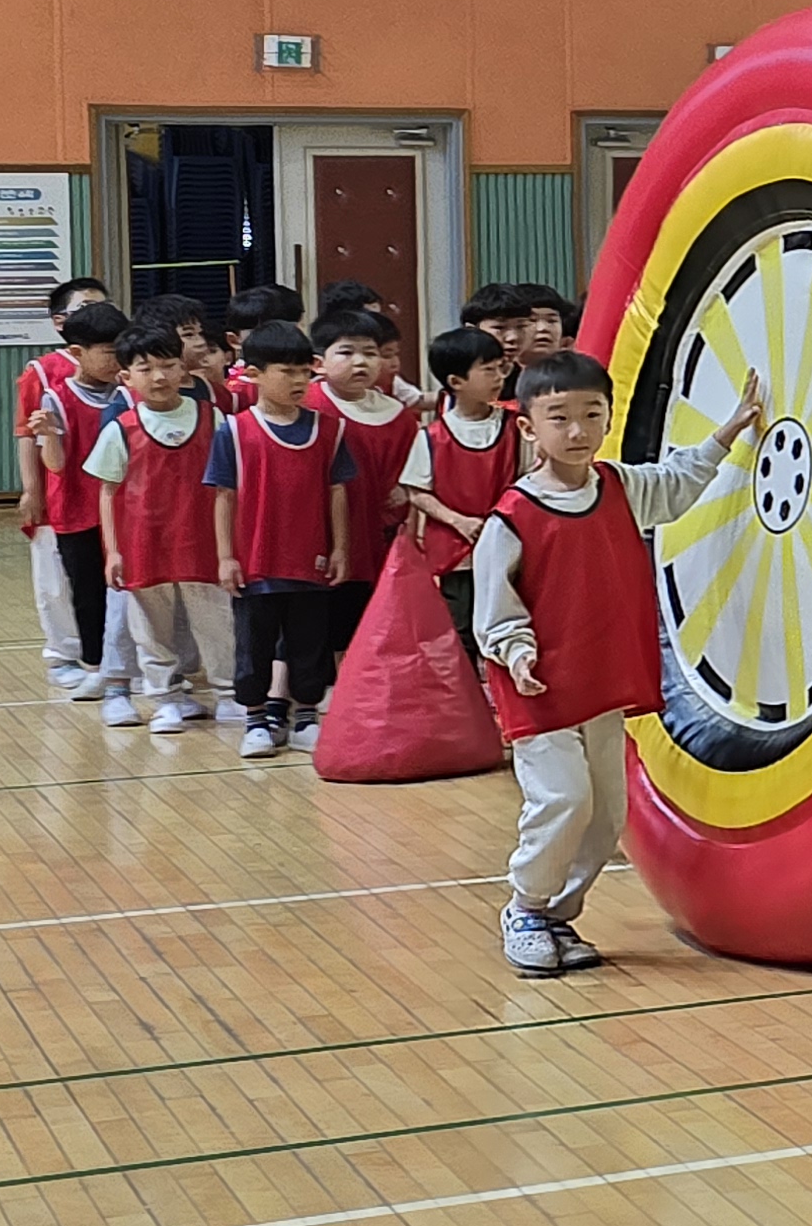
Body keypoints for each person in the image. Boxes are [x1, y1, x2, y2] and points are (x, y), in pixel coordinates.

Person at [473, 351, 767, 975]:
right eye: (559, 418)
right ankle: (524, 908)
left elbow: (677, 482)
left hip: (601, 685)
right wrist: (517, 651)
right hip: (541, 690)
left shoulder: (620, 487)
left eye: (590, 414)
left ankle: (557, 915)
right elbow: (495, 613)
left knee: (607, 814)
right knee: (563, 800)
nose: (577, 430)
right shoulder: (512, 519)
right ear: (528, 427)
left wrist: (732, 428)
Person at [208, 319, 352, 758]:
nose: (296, 380)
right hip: (255, 560)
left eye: (302, 371)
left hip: (310, 558)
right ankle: (257, 720)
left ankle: (305, 716)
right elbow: (223, 497)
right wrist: (225, 557)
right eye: (284, 371)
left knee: (310, 641)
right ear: (253, 374)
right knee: (253, 645)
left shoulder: (329, 430)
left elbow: (337, 491)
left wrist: (341, 546)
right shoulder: (233, 431)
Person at [86, 320, 225, 733]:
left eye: (167, 365)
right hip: (144, 545)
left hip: (203, 542)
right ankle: (164, 699)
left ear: (184, 370)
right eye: (145, 368)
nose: (159, 377)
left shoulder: (211, 417)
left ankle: (231, 695)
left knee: (217, 623)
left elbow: (229, 485)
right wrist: (113, 550)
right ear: (126, 378)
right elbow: (107, 493)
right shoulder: (121, 428)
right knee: (150, 628)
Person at [21, 297, 131, 703]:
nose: (115, 359)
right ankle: (95, 666)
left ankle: (131, 668)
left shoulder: (129, 392)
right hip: (76, 511)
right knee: (87, 592)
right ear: (76, 353)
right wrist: (48, 434)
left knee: (128, 591)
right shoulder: (56, 398)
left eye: (121, 349)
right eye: (107, 352)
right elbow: (56, 462)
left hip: (121, 512)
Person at [396, 323, 522, 652]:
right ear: (455, 382)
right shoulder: (432, 437)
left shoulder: (516, 427)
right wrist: (459, 522)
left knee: (508, 625)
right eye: (487, 370)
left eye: (500, 368)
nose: (498, 377)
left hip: (509, 543)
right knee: (460, 628)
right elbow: (417, 491)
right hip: (455, 551)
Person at [311, 307, 415, 669]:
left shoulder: (399, 415)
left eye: (370, 353)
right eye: (347, 352)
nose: (361, 362)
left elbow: (413, 466)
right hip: (325, 530)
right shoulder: (311, 407)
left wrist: (405, 487)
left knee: (375, 605)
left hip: (380, 529)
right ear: (319, 362)